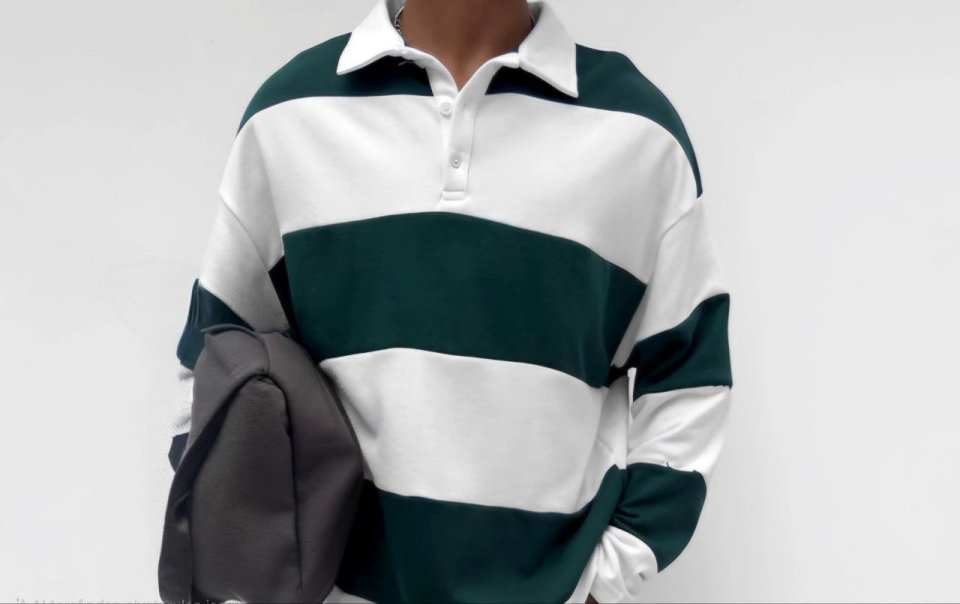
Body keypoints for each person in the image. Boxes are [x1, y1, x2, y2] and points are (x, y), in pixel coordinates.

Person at [168, 0, 733, 602]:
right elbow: (214, 370)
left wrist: (608, 577)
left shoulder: (639, 134)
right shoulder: (289, 117)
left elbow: (689, 383)